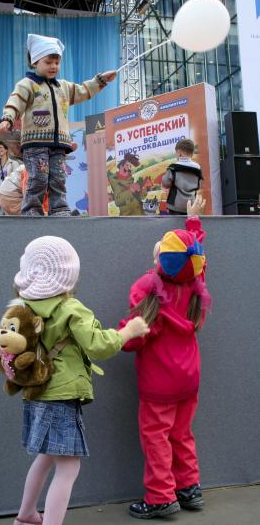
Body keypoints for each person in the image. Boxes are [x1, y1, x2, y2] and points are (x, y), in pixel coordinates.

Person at [12, 236, 150, 525]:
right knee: (69, 467)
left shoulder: (24, 307)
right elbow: (99, 345)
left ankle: (26, 514)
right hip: (61, 396)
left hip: (37, 390)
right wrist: (130, 331)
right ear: (68, 274)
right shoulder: (71, 309)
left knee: (46, 457)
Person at [118, 195, 211, 520]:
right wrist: (193, 224)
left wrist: (118, 336)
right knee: (182, 434)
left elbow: (133, 338)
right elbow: (196, 257)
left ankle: (160, 497)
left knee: (156, 437)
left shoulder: (147, 286)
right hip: (189, 379)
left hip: (159, 383)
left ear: (160, 261)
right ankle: (189, 488)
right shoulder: (196, 284)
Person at [0, 33, 116, 217]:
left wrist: (101, 81)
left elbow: (83, 91)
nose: (53, 66)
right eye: (48, 62)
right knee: (37, 177)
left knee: (58, 178)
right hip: (35, 143)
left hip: (58, 145)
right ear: (35, 62)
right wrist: (8, 118)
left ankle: (59, 209)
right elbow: (16, 101)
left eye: (57, 62)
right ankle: (32, 210)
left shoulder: (63, 87)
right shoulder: (27, 85)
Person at [162, 138, 204, 215]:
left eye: (176, 153)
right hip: (192, 205)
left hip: (175, 206)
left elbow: (165, 184)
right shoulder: (198, 168)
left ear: (179, 152)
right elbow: (200, 185)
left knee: (176, 226)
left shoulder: (173, 168)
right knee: (191, 224)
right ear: (192, 153)